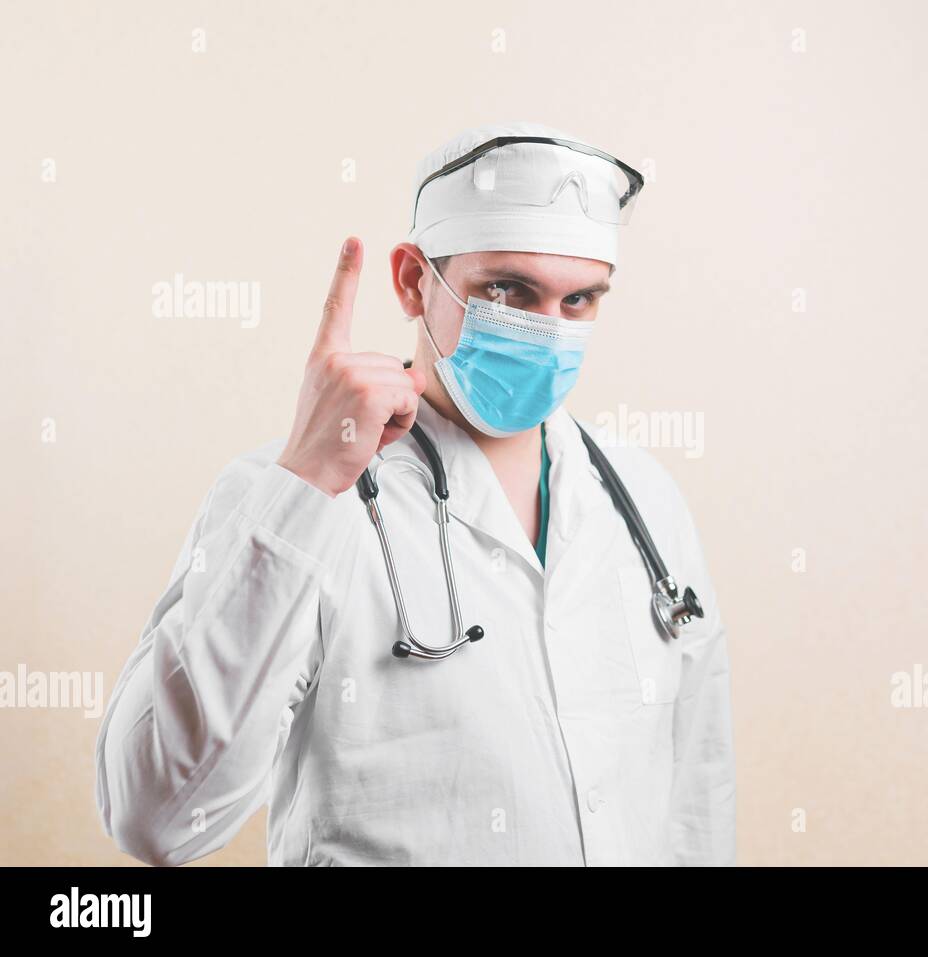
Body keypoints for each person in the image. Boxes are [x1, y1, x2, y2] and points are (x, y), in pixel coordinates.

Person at [93, 121, 736, 866]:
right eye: (508, 289)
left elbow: (697, 803)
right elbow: (158, 817)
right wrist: (305, 481)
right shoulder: (298, 499)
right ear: (411, 281)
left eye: (580, 301)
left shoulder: (645, 503)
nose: (546, 333)